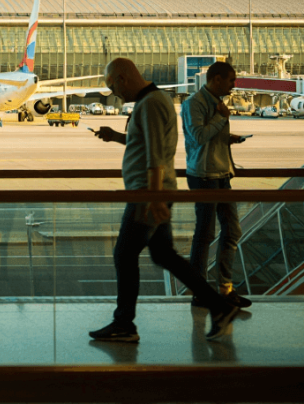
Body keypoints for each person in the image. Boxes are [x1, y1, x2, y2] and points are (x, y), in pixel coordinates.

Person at [89, 58, 239, 343]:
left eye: (112, 86)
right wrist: (117, 137)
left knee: (124, 254)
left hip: (149, 193)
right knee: (164, 255)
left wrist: (155, 197)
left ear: (122, 78)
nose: (114, 94)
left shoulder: (151, 103)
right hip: (152, 192)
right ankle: (219, 307)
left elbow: (156, 153)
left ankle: (124, 323)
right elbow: (145, 143)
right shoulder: (152, 101)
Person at [182, 61, 251, 309]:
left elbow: (208, 136)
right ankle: (200, 292)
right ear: (217, 79)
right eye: (231, 80)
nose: (234, 85)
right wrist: (222, 119)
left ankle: (225, 288)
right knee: (205, 234)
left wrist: (227, 137)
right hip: (204, 176)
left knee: (232, 231)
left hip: (221, 174)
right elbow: (198, 136)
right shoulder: (194, 103)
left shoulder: (217, 103)